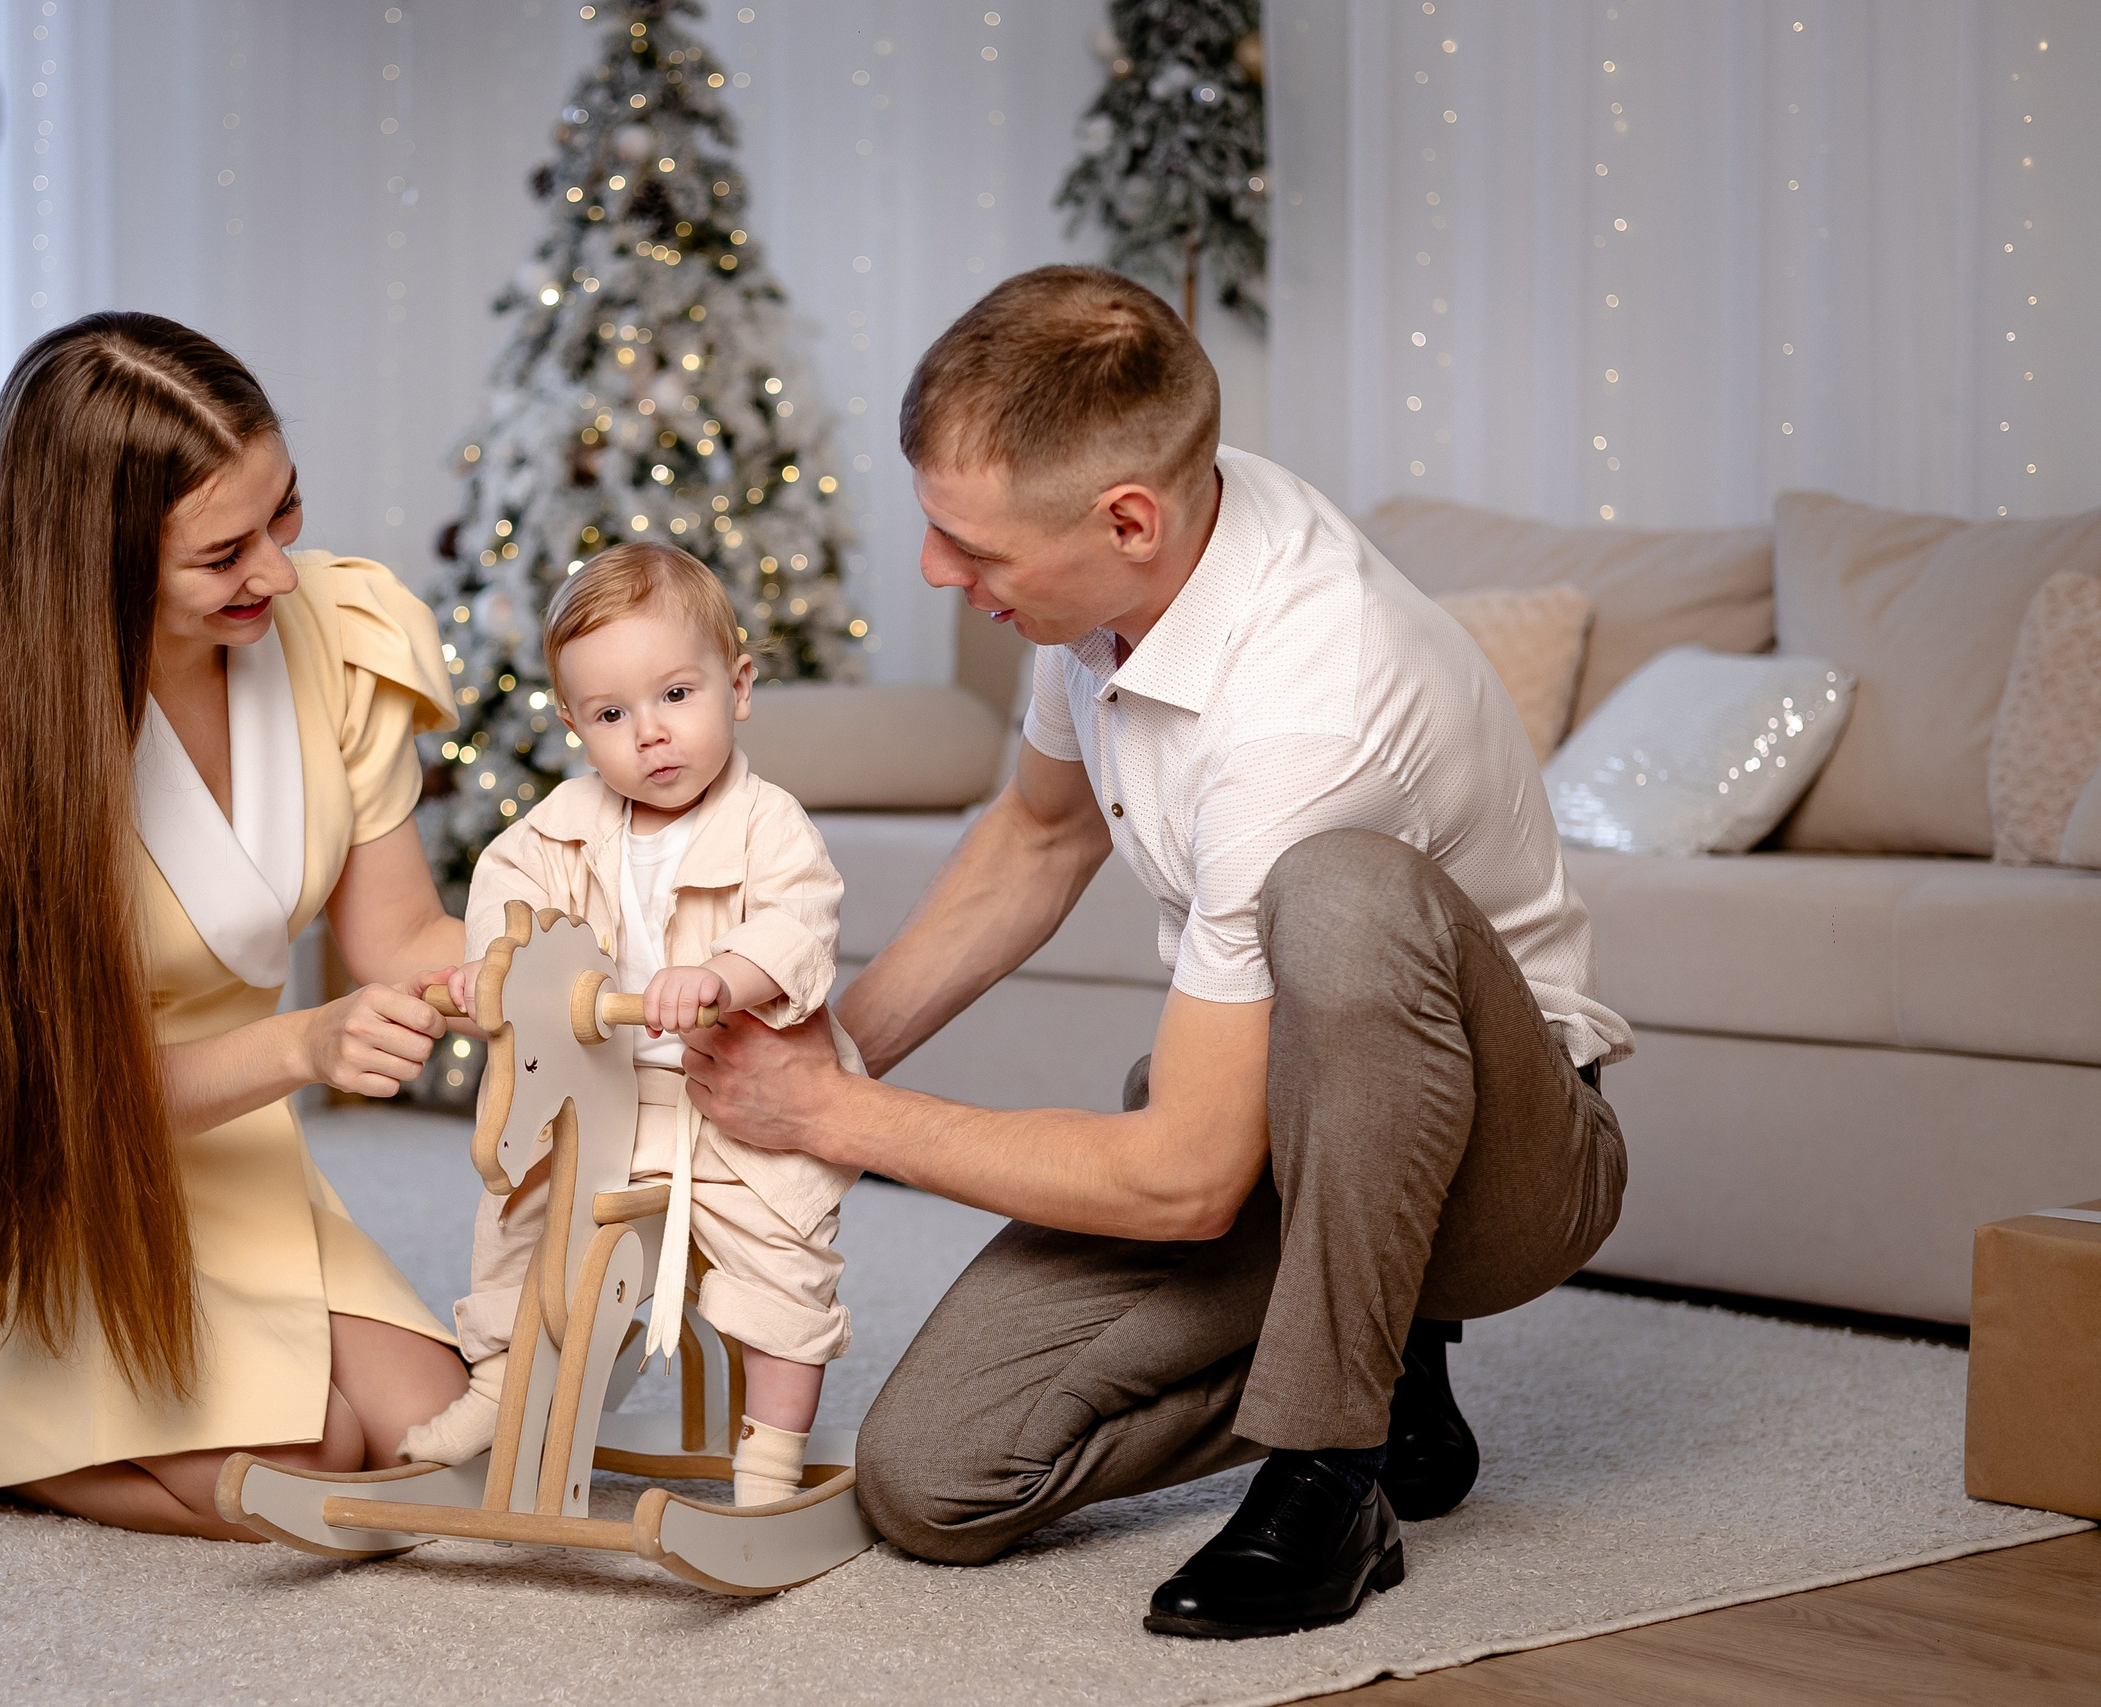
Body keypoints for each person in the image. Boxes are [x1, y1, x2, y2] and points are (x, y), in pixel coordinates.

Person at [681, 266, 1633, 1638]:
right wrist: (824, 1046)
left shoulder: (1308, 706)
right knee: (933, 1477)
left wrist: (839, 1116)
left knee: (1343, 896)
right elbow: (1037, 836)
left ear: (1130, 517)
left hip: (1502, 1161)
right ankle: (1375, 1342)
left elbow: (1187, 1177)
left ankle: (1334, 1464)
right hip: (1296, 1137)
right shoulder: (1120, 573)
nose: (943, 574)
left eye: (975, 548)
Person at [0, 313, 472, 1540]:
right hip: (15, 1179)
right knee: (310, 1491)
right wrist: (307, 1049)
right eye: (224, 553)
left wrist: (593, 949)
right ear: (93, 559)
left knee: (434, 1449)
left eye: (286, 513)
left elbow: (404, 936)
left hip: (221, 1145)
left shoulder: (330, 642)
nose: (281, 573)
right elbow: (57, 1104)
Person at [406, 541, 864, 1507]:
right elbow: (507, 896)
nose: (650, 735)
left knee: (780, 1243)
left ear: (736, 687)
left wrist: (722, 976)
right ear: (575, 726)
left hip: (737, 1093)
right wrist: (495, 967)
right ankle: (499, 1377)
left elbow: (799, 921)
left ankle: (773, 1448)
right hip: (610, 1086)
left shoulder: (769, 823)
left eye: (676, 695)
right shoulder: (563, 825)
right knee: (521, 1206)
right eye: (613, 714)